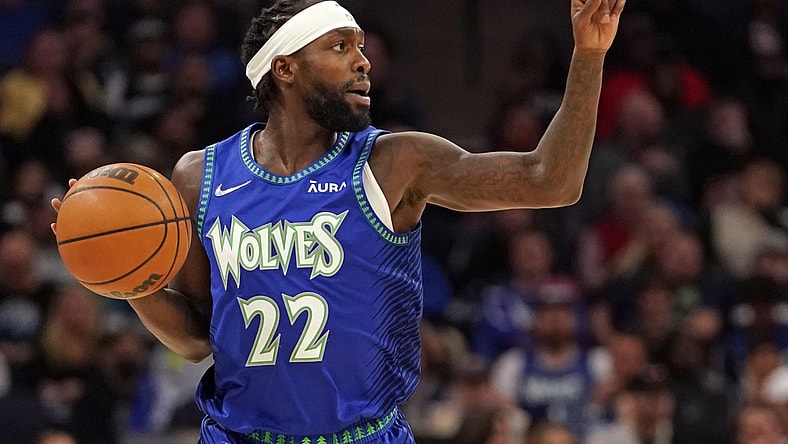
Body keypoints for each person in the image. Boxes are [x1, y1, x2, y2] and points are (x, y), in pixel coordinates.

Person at [51, 0, 625, 442]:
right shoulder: (200, 176)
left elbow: (551, 180)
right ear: (285, 68)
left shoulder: (394, 163)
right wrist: (129, 280)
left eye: (362, 46)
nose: (363, 60)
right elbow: (198, 339)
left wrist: (589, 55)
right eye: (341, 46)